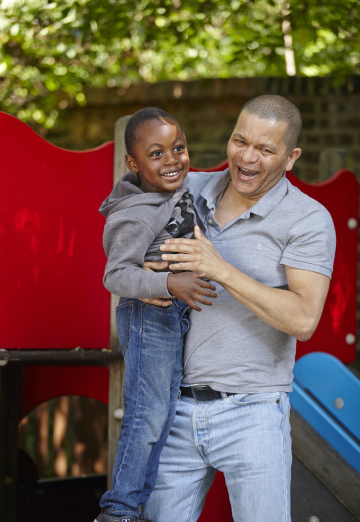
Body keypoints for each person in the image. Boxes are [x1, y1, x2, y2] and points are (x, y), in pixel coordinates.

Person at [143, 95, 336, 522]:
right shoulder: (187, 189)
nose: (247, 157)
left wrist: (219, 268)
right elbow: (130, 253)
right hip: (172, 408)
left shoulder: (307, 218)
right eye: (240, 141)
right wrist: (151, 277)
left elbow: (304, 319)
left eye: (265, 150)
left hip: (253, 412)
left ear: (291, 158)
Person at [94, 107, 217, 522]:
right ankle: (119, 511)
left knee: (162, 416)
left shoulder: (177, 188)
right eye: (157, 153)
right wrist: (169, 284)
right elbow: (116, 274)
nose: (173, 160)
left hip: (173, 317)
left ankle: (137, 507)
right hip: (150, 316)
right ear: (133, 163)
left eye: (178, 148)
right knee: (147, 416)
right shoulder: (135, 212)